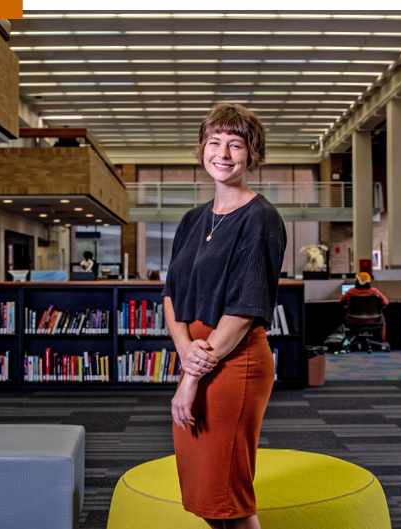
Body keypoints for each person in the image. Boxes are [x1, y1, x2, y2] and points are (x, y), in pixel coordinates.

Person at [162, 103, 287, 529]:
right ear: (202, 149)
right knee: (205, 496)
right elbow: (171, 294)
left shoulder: (261, 219)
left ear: (253, 155)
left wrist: (192, 376)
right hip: (197, 356)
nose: (223, 153)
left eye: (236, 145)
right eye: (214, 142)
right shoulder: (191, 219)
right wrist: (185, 354)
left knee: (228, 497)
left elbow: (245, 308)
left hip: (235, 361)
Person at [340, 271, 389, 341]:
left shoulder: (351, 291)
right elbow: (386, 302)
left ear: (356, 281)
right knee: (383, 324)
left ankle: (358, 342)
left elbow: (341, 299)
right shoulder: (374, 291)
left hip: (354, 319)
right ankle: (383, 344)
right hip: (373, 319)